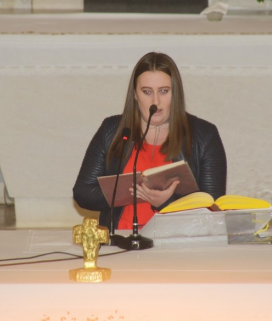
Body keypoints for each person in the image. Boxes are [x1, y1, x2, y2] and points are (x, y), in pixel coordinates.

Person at [73, 52, 227, 230]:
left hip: (179, 244)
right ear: (135, 95)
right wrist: (131, 190)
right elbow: (83, 193)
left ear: (175, 93)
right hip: (120, 241)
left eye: (164, 91)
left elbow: (213, 205)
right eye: (146, 92)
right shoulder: (113, 130)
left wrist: (167, 202)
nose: (156, 101)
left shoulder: (204, 134)